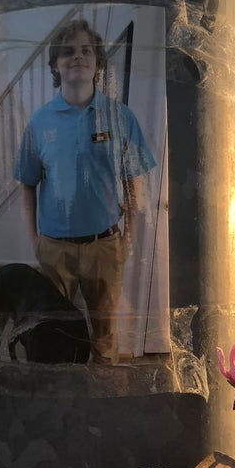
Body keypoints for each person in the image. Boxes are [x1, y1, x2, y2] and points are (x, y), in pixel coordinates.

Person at [14, 18, 156, 363]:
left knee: (105, 338)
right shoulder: (39, 123)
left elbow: (134, 184)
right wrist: (35, 241)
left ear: (97, 62)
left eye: (85, 50)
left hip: (105, 246)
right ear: (55, 64)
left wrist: (128, 239)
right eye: (68, 52)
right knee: (53, 332)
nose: (77, 56)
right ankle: (63, 390)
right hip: (54, 250)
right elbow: (28, 185)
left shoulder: (121, 118)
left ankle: (102, 390)